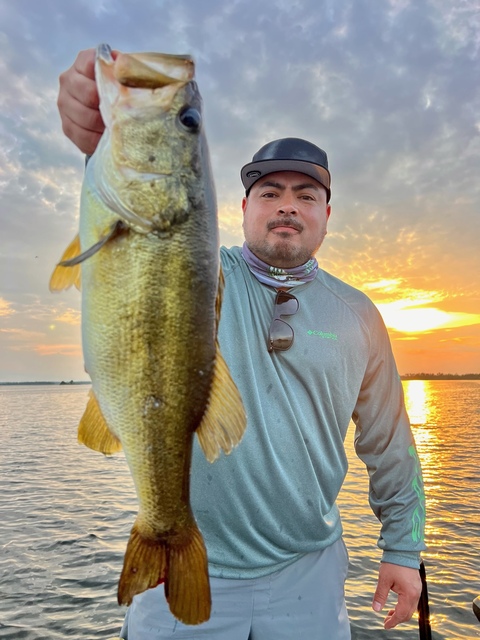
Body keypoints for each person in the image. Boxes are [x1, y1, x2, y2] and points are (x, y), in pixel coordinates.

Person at [57, 49, 426, 640]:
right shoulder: (198, 269)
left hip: (310, 571)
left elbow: (390, 446)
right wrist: (98, 138)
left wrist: (403, 551)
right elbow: (137, 243)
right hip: (176, 568)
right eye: (270, 192)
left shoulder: (360, 314)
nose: (287, 205)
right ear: (245, 207)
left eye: (305, 196)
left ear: (327, 215)